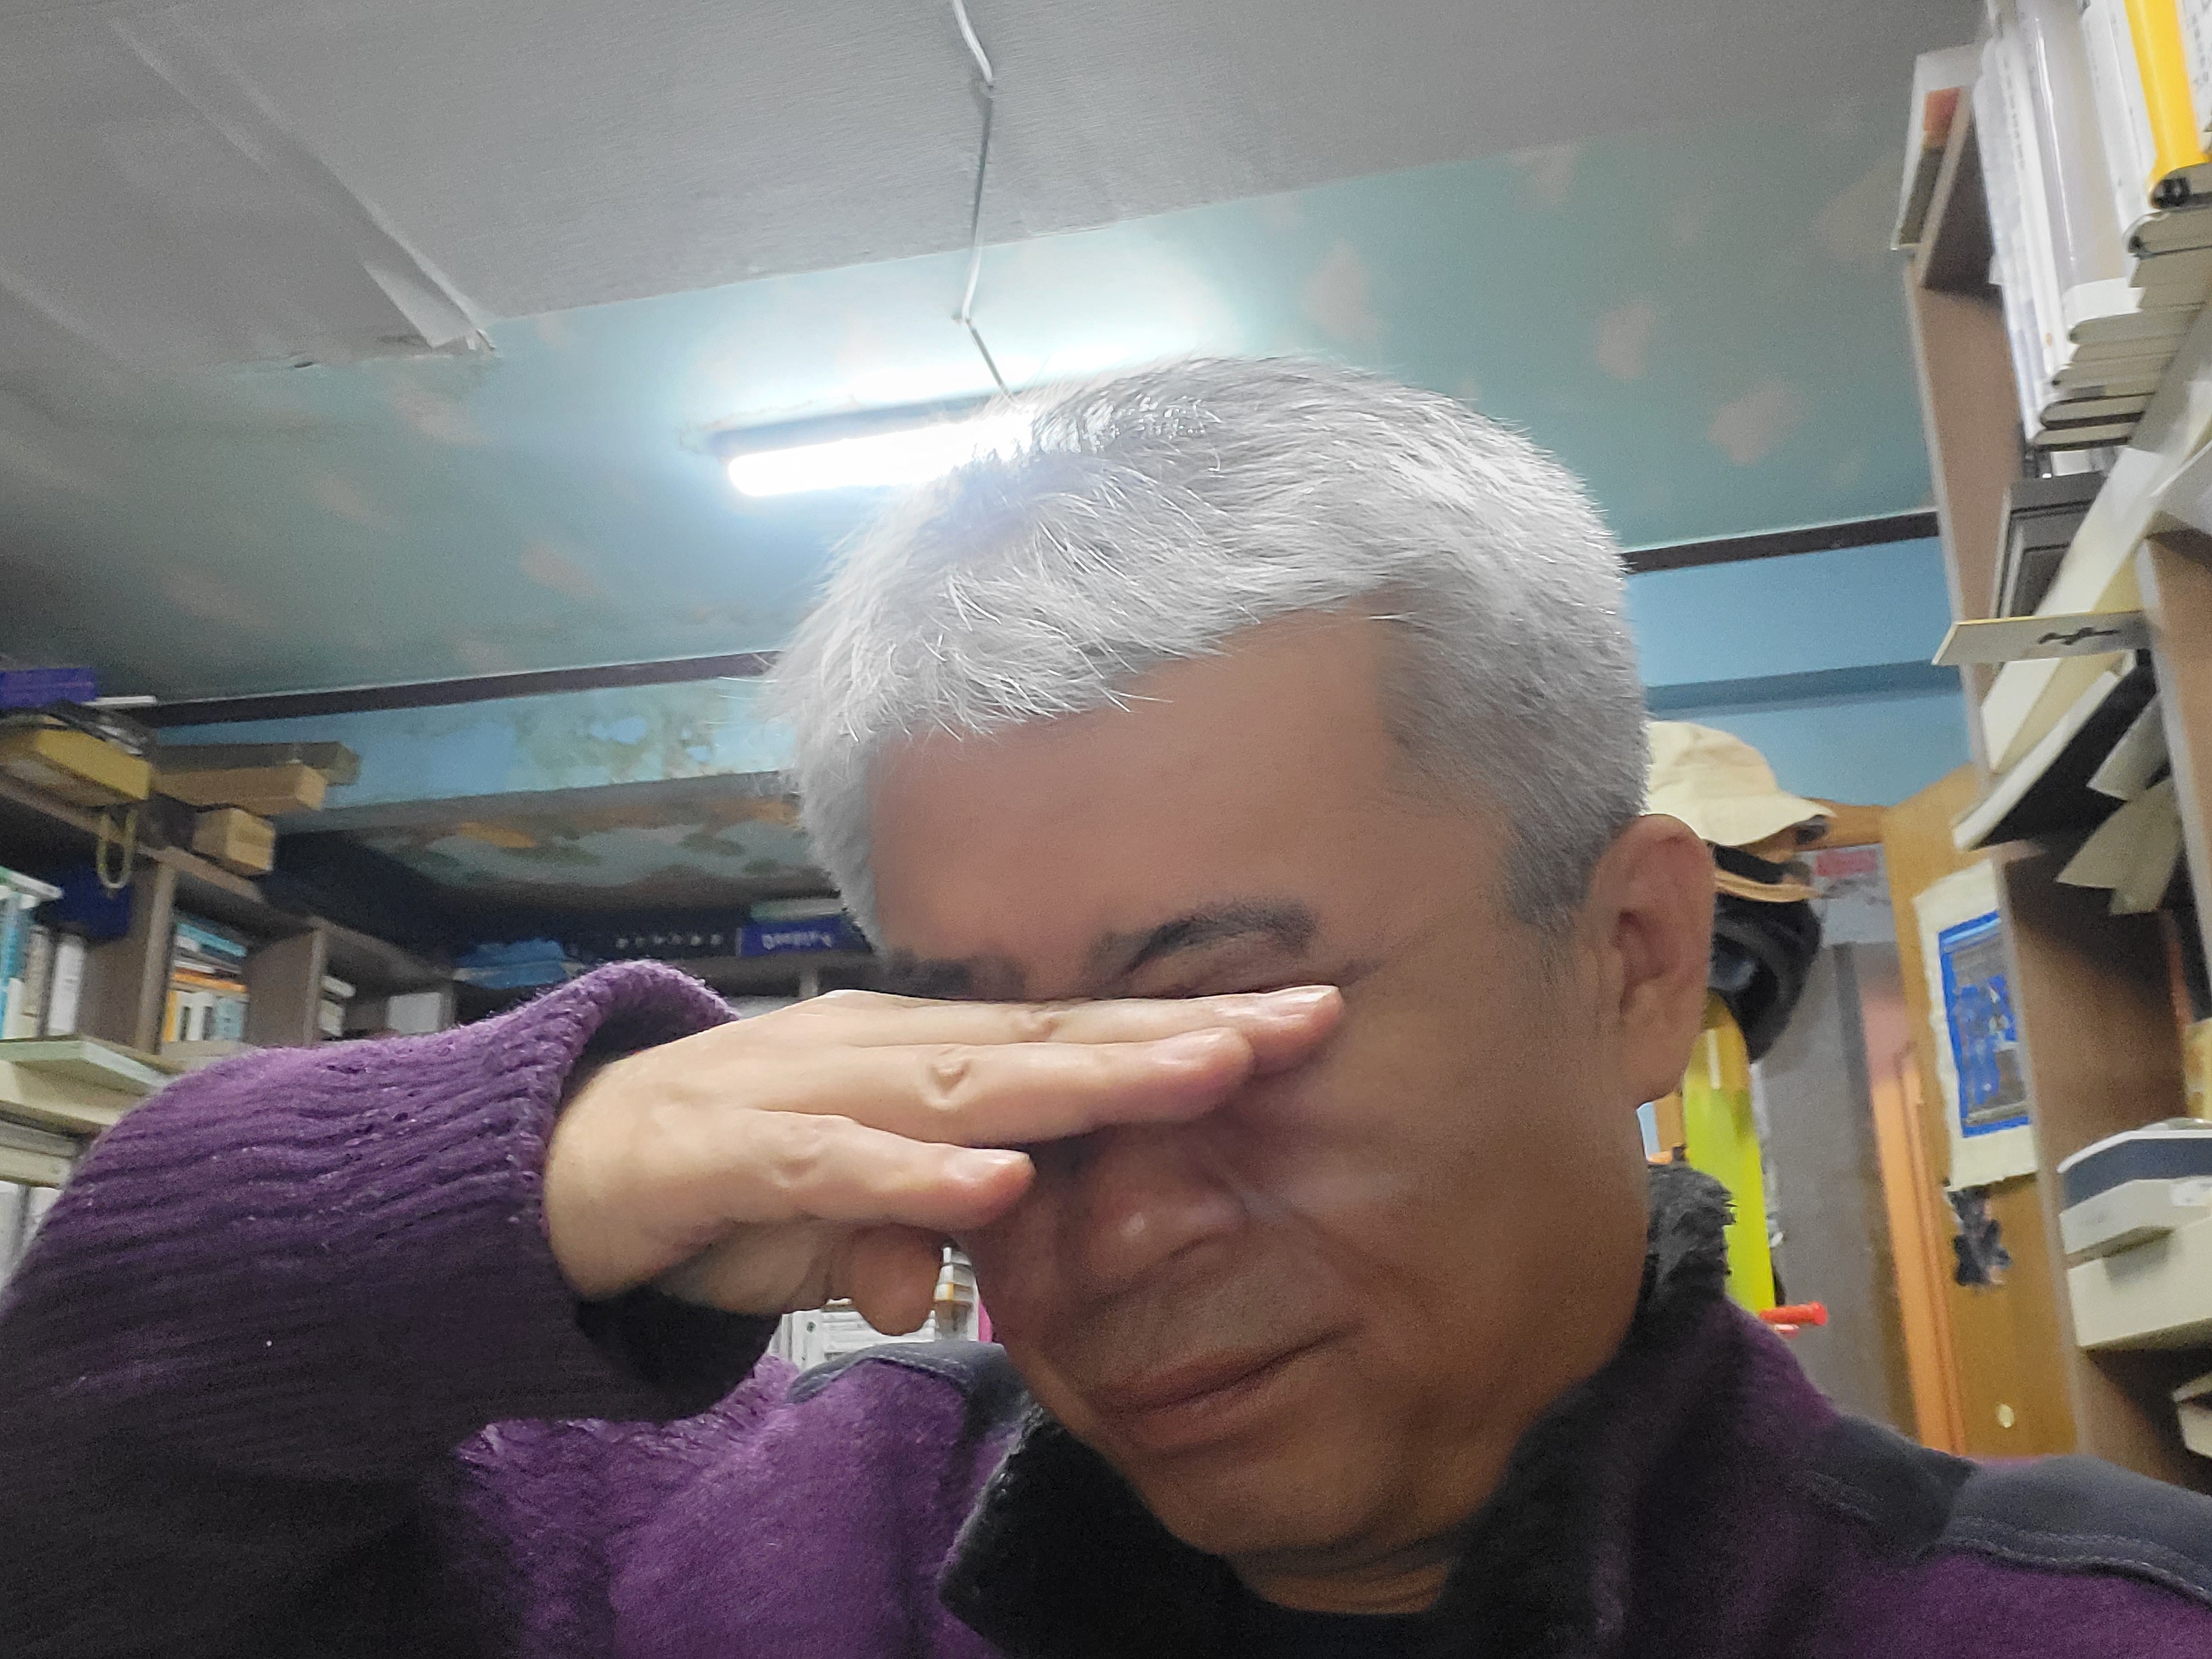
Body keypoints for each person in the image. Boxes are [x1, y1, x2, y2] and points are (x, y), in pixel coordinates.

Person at [2, 361, 2208, 1659]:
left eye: (1234, 1023)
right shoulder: (725, 1566)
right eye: (986, 1060)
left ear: (1632, 957)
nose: (1108, 1222)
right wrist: (510, 1176)